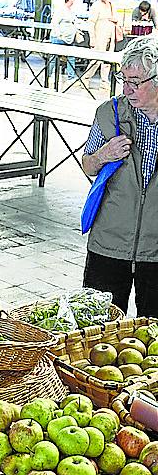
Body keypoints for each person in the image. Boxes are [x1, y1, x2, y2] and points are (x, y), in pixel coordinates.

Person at [81, 36, 158, 316]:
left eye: (136, 82)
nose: (128, 89)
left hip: (156, 250)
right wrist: (103, 155)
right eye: (123, 79)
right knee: (96, 330)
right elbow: (87, 165)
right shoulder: (108, 113)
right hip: (109, 244)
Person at [85, 0, 119, 85]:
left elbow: (117, 18)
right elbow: (91, 23)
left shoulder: (112, 5)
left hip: (110, 37)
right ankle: (85, 78)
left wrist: (115, 20)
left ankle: (104, 82)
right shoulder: (96, 6)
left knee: (107, 61)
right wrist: (92, 38)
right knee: (96, 60)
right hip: (99, 37)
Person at [49, 0, 80, 80]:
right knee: (53, 58)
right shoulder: (61, 10)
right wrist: (59, 35)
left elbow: (75, 21)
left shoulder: (71, 11)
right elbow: (54, 23)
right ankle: (49, 75)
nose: (75, 1)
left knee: (71, 57)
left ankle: (71, 76)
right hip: (58, 39)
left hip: (69, 39)